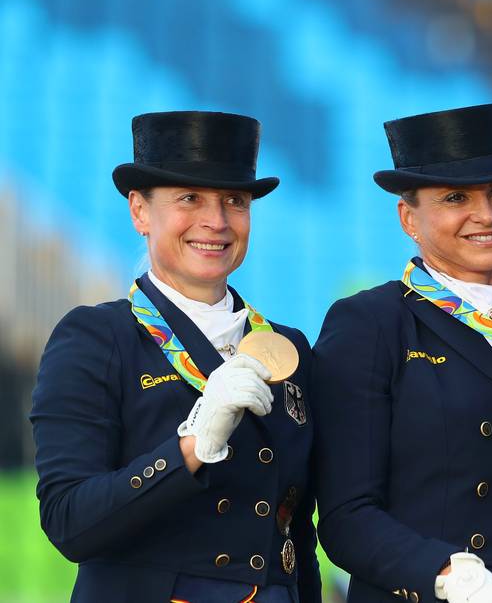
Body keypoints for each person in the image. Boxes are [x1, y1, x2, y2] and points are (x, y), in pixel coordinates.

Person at [311, 103, 492, 603]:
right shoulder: (370, 324)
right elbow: (346, 519)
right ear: (408, 217)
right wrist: (447, 576)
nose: (487, 214)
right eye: (456, 197)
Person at [31, 111, 320, 602]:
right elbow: (68, 521)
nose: (217, 221)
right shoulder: (96, 337)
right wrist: (191, 447)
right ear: (140, 212)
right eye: (190, 199)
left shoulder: (288, 347)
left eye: (235, 200)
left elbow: (296, 539)